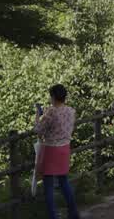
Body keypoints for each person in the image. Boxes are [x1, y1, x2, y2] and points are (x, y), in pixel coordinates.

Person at [35, 84, 80, 219]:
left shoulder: (51, 112)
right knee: (64, 181)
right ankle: (73, 213)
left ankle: (53, 215)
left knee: (48, 186)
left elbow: (39, 130)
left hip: (51, 150)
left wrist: (38, 116)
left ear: (53, 97)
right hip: (64, 148)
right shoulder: (71, 111)